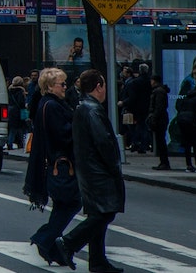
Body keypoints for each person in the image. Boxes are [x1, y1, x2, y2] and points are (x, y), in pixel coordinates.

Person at [52, 70, 125, 273]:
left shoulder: (83, 107)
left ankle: (97, 260)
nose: (105, 91)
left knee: (98, 212)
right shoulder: (92, 110)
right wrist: (114, 166)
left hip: (89, 170)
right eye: (103, 86)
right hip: (98, 172)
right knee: (105, 213)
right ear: (98, 87)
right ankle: (68, 243)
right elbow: (103, 142)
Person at [24, 68, 80, 265]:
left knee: (62, 205)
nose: (65, 87)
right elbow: (62, 135)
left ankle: (51, 248)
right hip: (61, 164)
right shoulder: (52, 106)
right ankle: (45, 238)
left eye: (65, 83)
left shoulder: (48, 104)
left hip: (56, 163)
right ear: (49, 86)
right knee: (73, 202)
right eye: (62, 84)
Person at [147, 75, 171, 169]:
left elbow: (159, 107)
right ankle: (163, 162)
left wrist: (154, 118)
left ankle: (164, 162)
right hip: (160, 118)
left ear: (154, 81)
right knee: (160, 141)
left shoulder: (159, 91)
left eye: (152, 80)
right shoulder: (159, 91)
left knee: (161, 141)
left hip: (160, 119)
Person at [7, 77, 27, 151]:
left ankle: (10, 143)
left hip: (10, 110)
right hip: (18, 111)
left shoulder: (9, 90)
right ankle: (21, 143)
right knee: (20, 128)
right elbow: (21, 102)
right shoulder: (21, 91)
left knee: (13, 129)